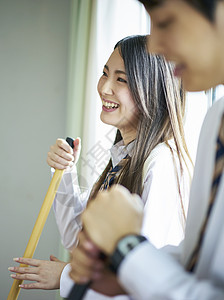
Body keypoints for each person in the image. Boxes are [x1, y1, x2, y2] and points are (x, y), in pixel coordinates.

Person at [9, 35, 192, 299]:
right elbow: (77, 238)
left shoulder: (161, 164)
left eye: (121, 79)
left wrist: (65, 277)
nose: (104, 88)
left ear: (152, 90)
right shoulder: (123, 158)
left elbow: (144, 280)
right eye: (104, 73)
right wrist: (66, 172)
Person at [68, 0, 224, 299]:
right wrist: (118, 274)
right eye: (105, 73)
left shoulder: (162, 162)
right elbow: (197, 260)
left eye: (166, 22)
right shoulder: (215, 118)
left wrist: (128, 251)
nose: (154, 46)